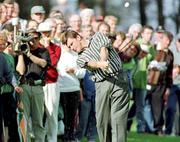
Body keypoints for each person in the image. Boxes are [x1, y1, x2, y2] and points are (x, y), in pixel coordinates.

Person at [60, 30, 130, 142]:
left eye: (71, 44)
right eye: (69, 46)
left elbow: (104, 49)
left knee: (118, 118)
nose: (71, 48)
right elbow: (90, 64)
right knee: (102, 121)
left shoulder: (98, 36)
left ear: (78, 37)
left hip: (120, 79)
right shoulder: (80, 58)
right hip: (101, 83)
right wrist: (100, 64)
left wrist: (103, 60)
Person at [16, 30, 51, 141]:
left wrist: (29, 54)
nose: (33, 41)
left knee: (38, 121)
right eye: (30, 38)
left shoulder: (43, 51)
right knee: (23, 120)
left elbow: (43, 63)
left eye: (35, 38)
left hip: (37, 87)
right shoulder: (22, 51)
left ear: (39, 39)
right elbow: (21, 71)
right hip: (24, 87)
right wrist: (21, 53)